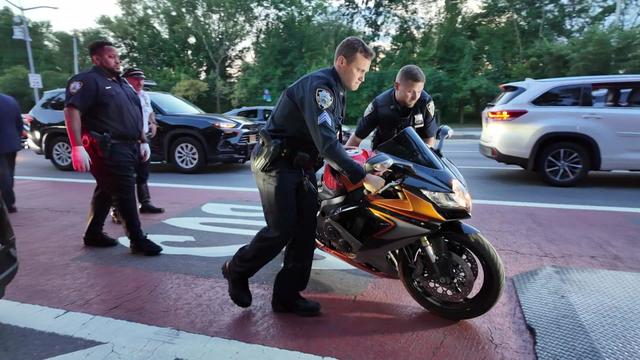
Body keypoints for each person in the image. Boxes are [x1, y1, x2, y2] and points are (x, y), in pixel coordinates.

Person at [222, 36, 385, 317]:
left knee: (305, 233)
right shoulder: (321, 88)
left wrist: (363, 160)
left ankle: (287, 296)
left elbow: (328, 139)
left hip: (302, 167)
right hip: (276, 163)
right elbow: (326, 143)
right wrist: (362, 176)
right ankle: (236, 270)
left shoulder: (337, 90)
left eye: (365, 72)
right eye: (359, 70)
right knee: (281, 229)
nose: (362, 77)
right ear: (341, 62)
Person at [64, 40, 162, 256]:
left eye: (117, 57)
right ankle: (137, 240)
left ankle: (93, 233)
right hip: (107, 147)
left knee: (107, 190)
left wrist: (142, 140)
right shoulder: (87, 81)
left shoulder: (121, 83)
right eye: (111, 56)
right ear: (97, 59)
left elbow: (135, 113)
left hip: (129, 145)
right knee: (125, 191)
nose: (117, 60)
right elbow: (72, 111)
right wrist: (76, 146)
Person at [110, 67, 164, 224]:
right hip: (126, 140)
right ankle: (116, 209)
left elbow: (149, 112)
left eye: (141, 79)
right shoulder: (122, 96)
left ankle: (145, 203)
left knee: (143, 173)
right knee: (122, 178)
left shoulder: (144, 95)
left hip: (143, 138)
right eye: (136, 79)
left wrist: (153, 122)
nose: (140, 82)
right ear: (126, 80)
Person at [345, 64, 438, 149]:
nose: (415, 97)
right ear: (397, 86)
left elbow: (429, 139)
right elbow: (356, 138)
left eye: (419, 91)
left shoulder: (425, 102)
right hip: (384, 159)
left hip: (415, 156)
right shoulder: (379, 105)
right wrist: (344, 164)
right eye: (410, 91)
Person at [0, 93, 23, 213]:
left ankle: (9, 204)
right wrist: (17, 138)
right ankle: (9, 202)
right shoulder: (10, 100)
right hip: (12, 143)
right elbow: (19, 122)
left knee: (4, 176)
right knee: (9, 173)